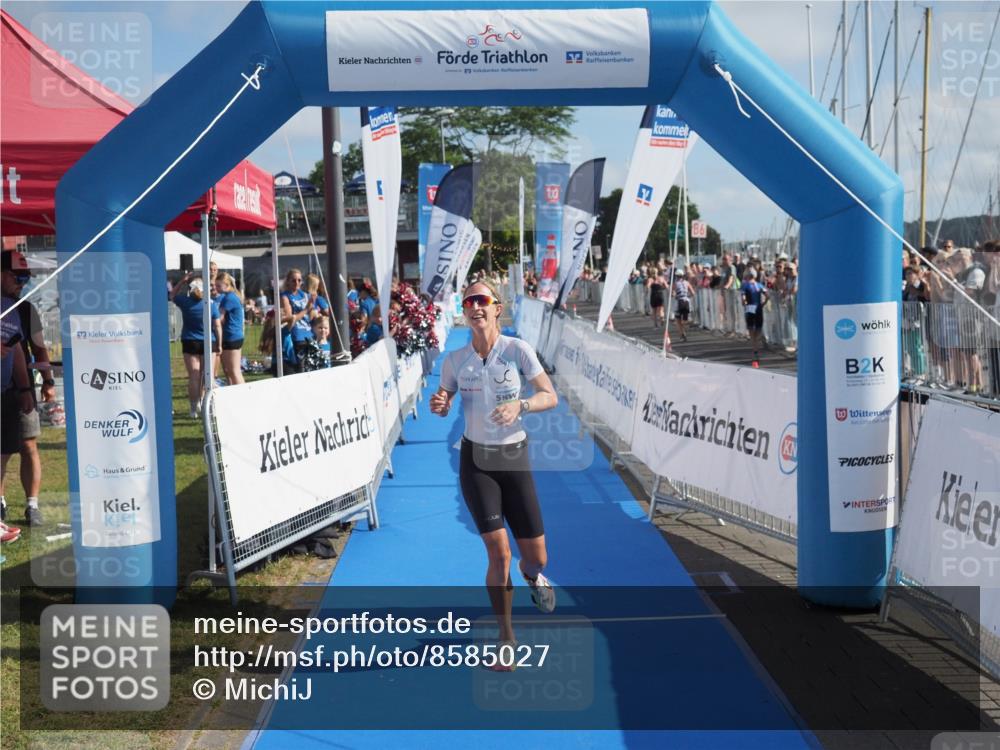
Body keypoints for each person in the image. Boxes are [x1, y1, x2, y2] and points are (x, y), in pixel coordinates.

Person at [429, 280, 559, 670]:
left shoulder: (517, 350)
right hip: (477, 463)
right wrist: (441, 403)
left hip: (514, 459)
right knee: (498, 552)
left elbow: (549, 395)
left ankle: (532, 576)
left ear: (496, 307)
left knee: (536, 558)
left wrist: (522, 406)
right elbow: (445, 398)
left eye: (482, 300)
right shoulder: (455, 360)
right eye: (469, 301)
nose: (475, 307)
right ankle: (506, 639)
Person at [1, 252, 55, 526]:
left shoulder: (25, 309)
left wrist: (47, 382)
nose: (22, 284)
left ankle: (32, 505)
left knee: (28, 444)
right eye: (17, 277)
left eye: (26, 279)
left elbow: (37, 348)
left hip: (19, 387)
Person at [1, 294, 35, 538]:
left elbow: (18, 351)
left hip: (4, 392)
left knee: (3, 454)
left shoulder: (9, 308)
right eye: (16, 276)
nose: (21, 281)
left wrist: (24, 388)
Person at [171, 274, 221, 417]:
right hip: (208, 341)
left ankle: (193, 409)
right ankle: (207, 406)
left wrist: (182, 280)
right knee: (207, 376)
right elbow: (217, 326)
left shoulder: (185, 301)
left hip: (190, 341)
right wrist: (219, 344)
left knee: (194, 376)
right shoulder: (211, 304)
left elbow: (172, 295)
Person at [280, 268, 315, 373]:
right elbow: (290, 318)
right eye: (293, 280)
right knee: (301, 368)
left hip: (309, 334)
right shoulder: (285, 296)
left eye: (299, 280)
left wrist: (312, 306)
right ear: (288, 281)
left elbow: (311, 317)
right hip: (297, 335)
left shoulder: (305, 295)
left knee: (311, 366)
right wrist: (306, 310)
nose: (297, 283)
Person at [214, 272, 245, 386]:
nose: (216, 288)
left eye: (219, 285)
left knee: (234, 371)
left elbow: (220, 318)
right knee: (229, 371)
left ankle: (243, 393)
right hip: (233, 335)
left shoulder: (229, 298)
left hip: (231, 336)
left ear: (227, 285)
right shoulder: (231, 296)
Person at [741, 268, 768, 367]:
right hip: (758, 308)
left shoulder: (745, 285)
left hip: (750, 309)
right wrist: (763, 304)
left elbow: (743, 299)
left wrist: (744, 303)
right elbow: (767, 295)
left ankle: (755, 352)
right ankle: (758, 344)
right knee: (758, 329)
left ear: (748, 276)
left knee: (751, 332)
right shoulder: (759, 285)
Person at [673, 269, 695, 342]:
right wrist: (687, 296)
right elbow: (693, 293)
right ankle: (684, 332)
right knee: (684, 320)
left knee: (678, 320)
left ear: (676, 276)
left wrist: (674, 295)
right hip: (686, 302)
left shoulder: (675, 284)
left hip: (679, 302)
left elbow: (673, 294)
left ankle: (682, 336)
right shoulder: (687, 283)